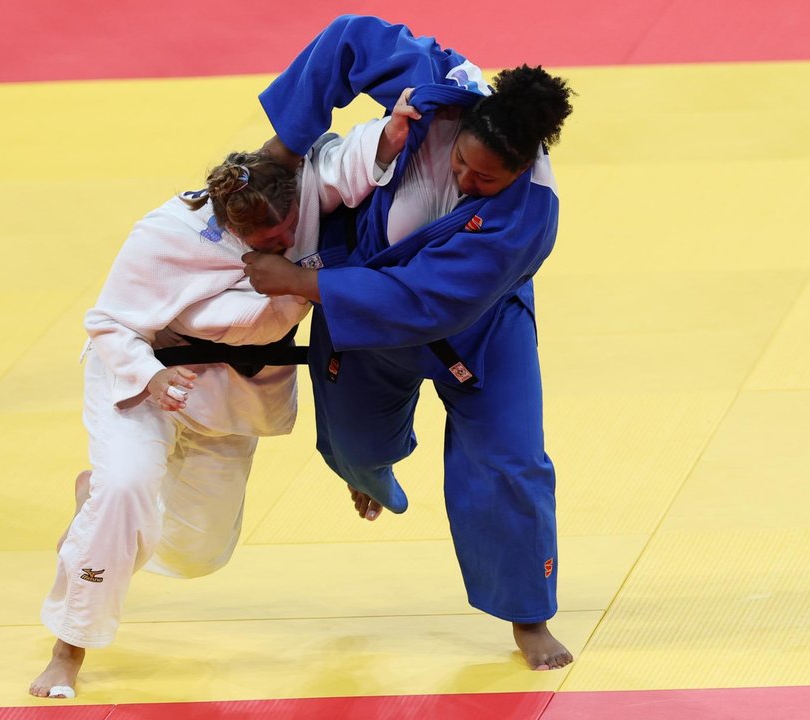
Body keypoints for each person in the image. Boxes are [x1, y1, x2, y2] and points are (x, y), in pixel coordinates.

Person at [29, 106, 414, 698]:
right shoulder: (165, 236)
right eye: (267, 242)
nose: (285, 244)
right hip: (149, 374)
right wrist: (148, 377)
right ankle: (69, 648)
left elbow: (355, 160)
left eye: (289, 232)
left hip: (235, 392)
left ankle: (94, 509)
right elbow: (106, 320)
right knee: (127, 488)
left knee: (196, 554)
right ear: (231, 228)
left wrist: (392, 135)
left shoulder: (306, 196)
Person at [242, 15, 575, 671]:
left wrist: (303, 283)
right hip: (362, 303)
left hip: (474, 329)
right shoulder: (437, 88)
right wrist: (284, 146)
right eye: (461, 161)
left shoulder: (528, 213)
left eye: (484, 179)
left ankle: (527, 615)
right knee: (356, 445)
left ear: (521, 166)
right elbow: (347, 37)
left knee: (510, 461)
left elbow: (424, 300)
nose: (465, 179)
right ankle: (365, 471)